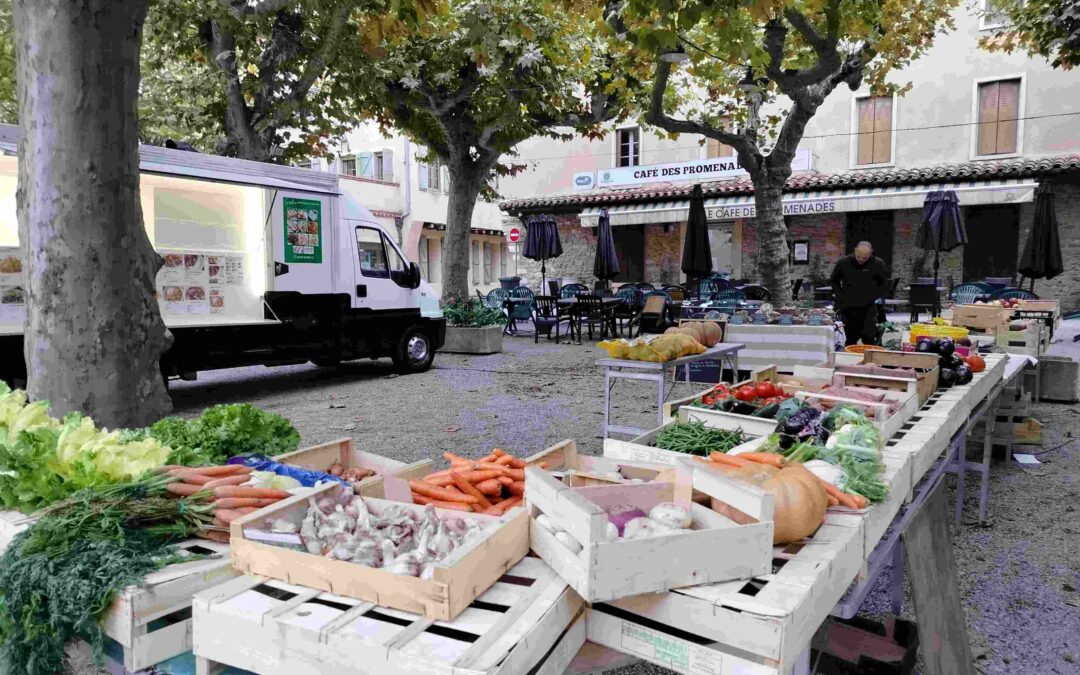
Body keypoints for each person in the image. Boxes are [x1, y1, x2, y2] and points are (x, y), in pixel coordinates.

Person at [830, 241, 889, 346]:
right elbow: (834, 280)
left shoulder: (877, 264)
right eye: (858, 256)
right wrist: (840, 295)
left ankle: (869, 355)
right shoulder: (843, 263)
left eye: (864, 258)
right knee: (850, 338)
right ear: (855, 250)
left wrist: (874, 295)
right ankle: (850, 355)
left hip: (868, 306)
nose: (861, 260)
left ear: (871, 253)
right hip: (848, 305)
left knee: (869, 337)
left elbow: (885, 283)